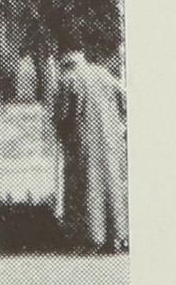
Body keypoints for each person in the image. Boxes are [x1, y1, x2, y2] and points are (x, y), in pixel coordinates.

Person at [53, 50, 129, 252]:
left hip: (83, 141)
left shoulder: (68, 79)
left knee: (88, 186)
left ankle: (92, 238)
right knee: (112, 184)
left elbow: (62, 116)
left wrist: (63, 136)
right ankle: (117, 236)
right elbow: (124, 99)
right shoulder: (103, 73)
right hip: (110, 141)